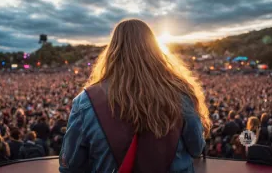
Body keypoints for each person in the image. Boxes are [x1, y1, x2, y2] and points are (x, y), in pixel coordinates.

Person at [59, 19, 211, 173]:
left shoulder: (86, 101)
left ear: (113, 52)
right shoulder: (181, 93)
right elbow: (196, 148)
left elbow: (70, 164)